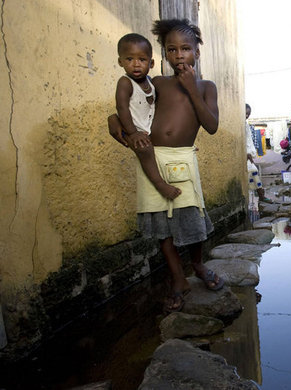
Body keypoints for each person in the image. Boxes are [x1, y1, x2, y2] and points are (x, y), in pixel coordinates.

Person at [108, 19, 224, 312]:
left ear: (197, 52)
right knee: (163, 230)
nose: (179, 55)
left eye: (185, 49)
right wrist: (120, 128)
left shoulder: (206, 87)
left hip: (183, 159)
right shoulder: (156, 83)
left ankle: (197, 265)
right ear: (164, 55)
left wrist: (191, 88)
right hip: (153, 159)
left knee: (193, 222)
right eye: (172, 49)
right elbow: (134, 108)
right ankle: (178, 280)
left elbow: (210, 126)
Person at [115, 33, 181, 200]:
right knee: (145, 151)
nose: (136, 65)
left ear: (151, 63)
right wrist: (133, 133)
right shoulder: (125, 83)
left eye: (142, 60)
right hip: (132, 129)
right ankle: (161, 185)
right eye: (129, 59)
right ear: (120, 62)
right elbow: (122, 107)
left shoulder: (150, 83)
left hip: (145, 129)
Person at [246, 103, 271, 202]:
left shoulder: (246, 125)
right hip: (246, 154)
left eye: (249, 114)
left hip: (248, 154)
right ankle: (261, 196)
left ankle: (260, 195)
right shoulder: (242, 125)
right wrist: (248, 154)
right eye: (246, 113)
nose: (247, 115)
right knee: (253, 172)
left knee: (253, 174)